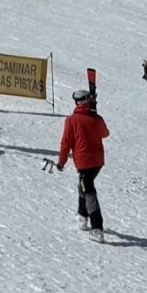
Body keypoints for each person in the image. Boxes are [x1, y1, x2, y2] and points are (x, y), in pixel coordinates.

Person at [57, 89, 110, 236]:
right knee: (84, 186)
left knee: (89, 192)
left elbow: (66, 143)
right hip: (98, 161)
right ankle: (82, 216)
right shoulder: (95, 117)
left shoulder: (72, 120)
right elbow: (105, 133)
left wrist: (61, 161)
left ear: (77, 102)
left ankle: (97, 228)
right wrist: (95, 117)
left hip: (84, 162)